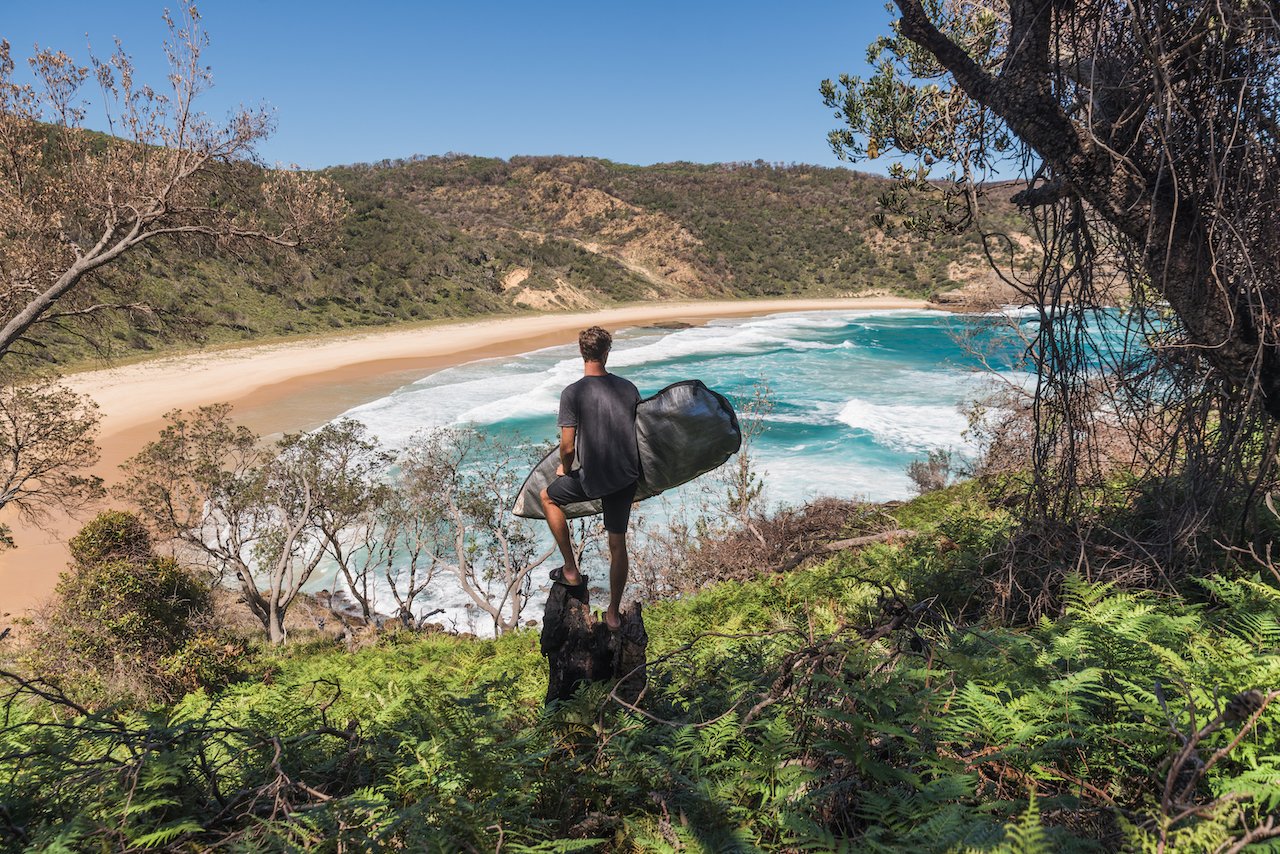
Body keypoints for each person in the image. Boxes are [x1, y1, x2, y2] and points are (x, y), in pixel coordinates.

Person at [540, 326, 640, 631]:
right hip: (625, 475)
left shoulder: (572, 393)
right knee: (617, 544)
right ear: (607, 352)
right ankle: (612, 613)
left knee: (548, 497)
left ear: (582, 352)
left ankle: (570, 569)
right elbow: (642, 434)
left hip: (591, 478)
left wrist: (564, 470)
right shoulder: (628, 388)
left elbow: (567, 446)